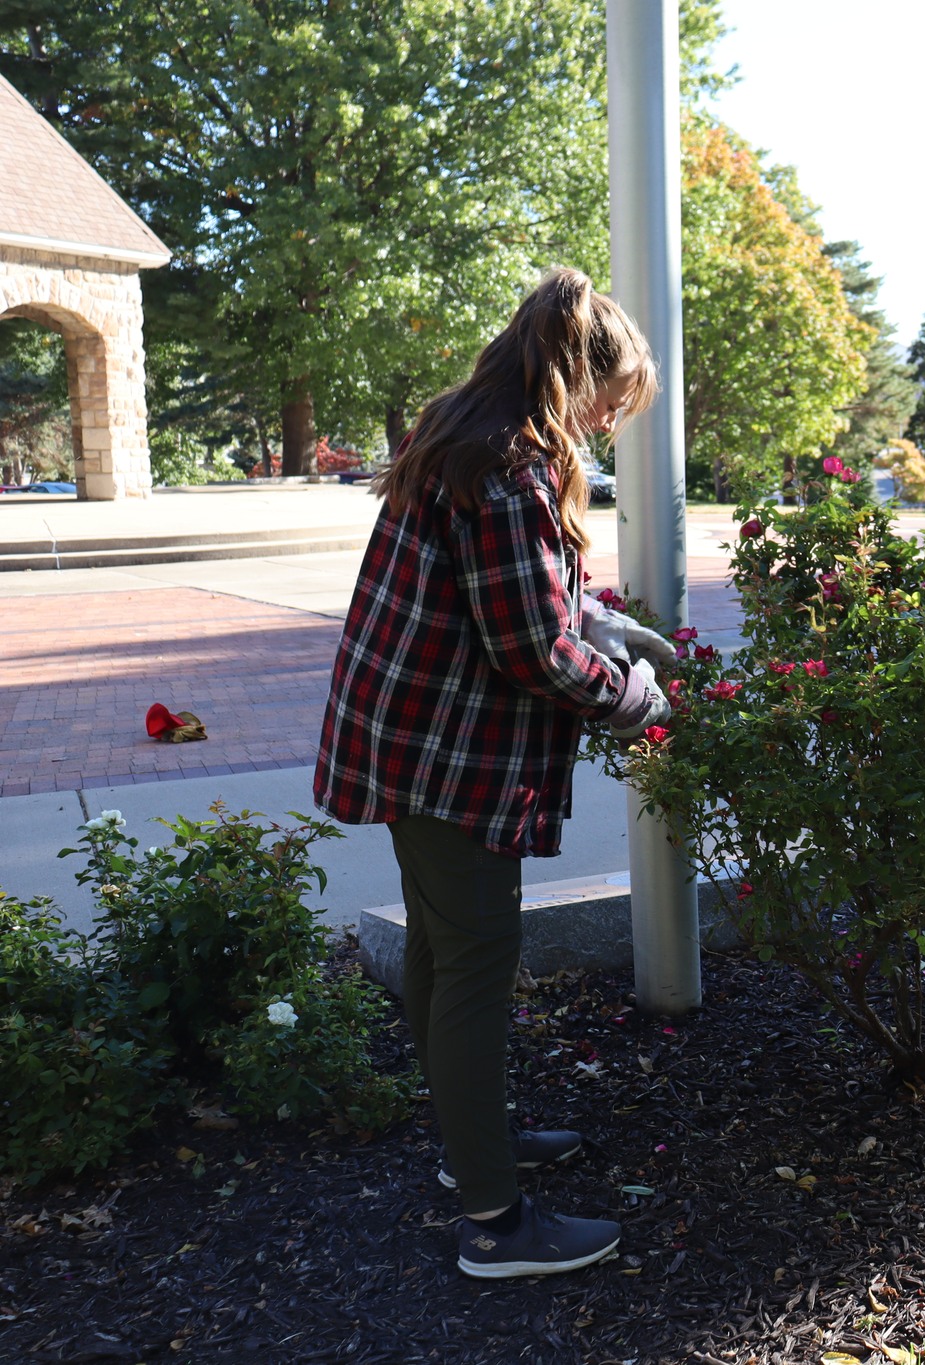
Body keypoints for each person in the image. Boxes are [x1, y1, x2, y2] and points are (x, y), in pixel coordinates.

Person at [314, 267, 679, 1279]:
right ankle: (493, 1224)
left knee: (441, 946)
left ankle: (470, 1147)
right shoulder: (510, 464)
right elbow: (531, 650)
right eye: (612, 401)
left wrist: (598, 613)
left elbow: (528, 591)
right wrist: (633, 694)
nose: (610, 421)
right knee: (474, 966)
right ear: (578, 378)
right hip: (450, 751)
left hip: (406, 734)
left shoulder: (465, 432)